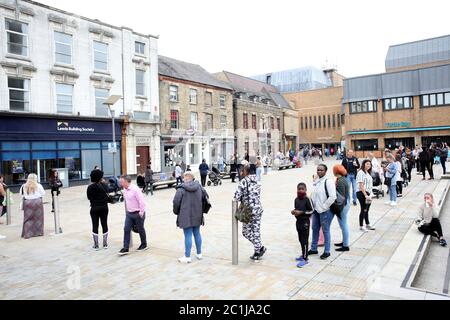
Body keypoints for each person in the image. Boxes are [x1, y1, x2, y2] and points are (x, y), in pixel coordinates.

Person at [173, 172, 208, 263]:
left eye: (184, 177)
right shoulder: (199, 187)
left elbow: (176, 202)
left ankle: (187, 256)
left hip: (185, 215)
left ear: (185, 178)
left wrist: (176, 212)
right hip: (197, 214)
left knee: (188, 235)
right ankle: (199, 254)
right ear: (192, 178)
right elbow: (205, 198)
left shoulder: (181, 189)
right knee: (197, 233)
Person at [233, 164, 266, 261]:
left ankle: (258, 250)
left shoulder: (244, 181)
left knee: (246, 232)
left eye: (243, 170)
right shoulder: (258, 181)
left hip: (248, 211)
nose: (241, 172)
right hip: (258, 209)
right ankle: (259, 248)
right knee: (256, 231)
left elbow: (236, 197)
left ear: (246, 171)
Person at [308, 164, 337, 260]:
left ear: (325, 171)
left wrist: (324, 207)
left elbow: (333, 196)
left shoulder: (328, 182)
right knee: (315, 228)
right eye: (318, 170)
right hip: (315, 210)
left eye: (321, 170)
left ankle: (327, 251)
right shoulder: (317, 181)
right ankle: (313, 248)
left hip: (325, 211)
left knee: (325, 230)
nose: (319, 171)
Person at [118, 175, 147, 255]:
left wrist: (141, 213)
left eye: (122, 181)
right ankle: (125, 248)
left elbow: (142, 202)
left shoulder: (135, 189)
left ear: (126, 182)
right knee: (126, 229)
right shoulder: (124, 189)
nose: (120, 183)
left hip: (138, 213)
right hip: (129, 214)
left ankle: (144, 244)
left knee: (140, 229)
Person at [291, 182, 314, 268]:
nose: (300, 190)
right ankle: (303, 254)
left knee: (304, 240)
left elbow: (311, 211)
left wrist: (302, 212)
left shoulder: (307, 199)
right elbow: (297, 209)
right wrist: (294, 212)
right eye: (299, 189)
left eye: (302, 189)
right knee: (300, 239)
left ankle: (305, 258)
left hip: (305, 223)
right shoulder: (296, 199)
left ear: (305, 190)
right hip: (298, 222)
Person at [87, 169, 110, 250]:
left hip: (94, 209)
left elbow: (89, 197)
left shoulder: (90, 187)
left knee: (95, 225)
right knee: (104, 224)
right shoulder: (105, 185)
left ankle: (96, 245)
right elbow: (108, 194)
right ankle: (105, 244)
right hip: (104, 208)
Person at [19, 174, 45, 239]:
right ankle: (38, 232)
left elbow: (21, 195)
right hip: (37, 203)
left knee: (27, 219)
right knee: (38, 219)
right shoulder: (39, 185)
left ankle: (27, 233)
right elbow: (43, 193)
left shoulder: (23, 186)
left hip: (28, 203)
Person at [333, 164, 351, 251]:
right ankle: (344, 241)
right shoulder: (342, 179)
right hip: (345, 203)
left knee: (343, 225)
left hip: (343, 205)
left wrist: (339, 209)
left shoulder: (340, 181)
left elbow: (341, 197)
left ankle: (346, 245)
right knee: (342, 224)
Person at [356, 160, 376, 232]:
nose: (368, 165)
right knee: (363, 209)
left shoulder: (367, 172)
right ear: (363, 164)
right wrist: (365, 195)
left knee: (367, 210)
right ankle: (361, 226)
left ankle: (367, 224)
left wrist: (370, 194)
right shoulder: (361, 172)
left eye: (370, 164)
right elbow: (361, 185)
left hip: (368, 193)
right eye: (367, 164)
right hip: (362, 193)